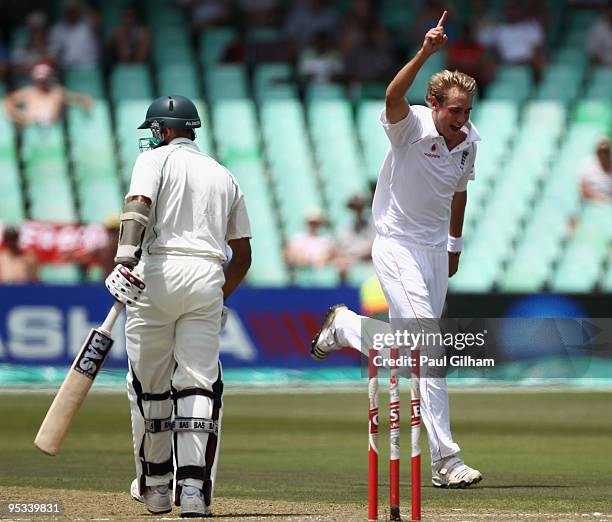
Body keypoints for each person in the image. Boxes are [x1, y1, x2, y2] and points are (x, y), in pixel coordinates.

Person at [311, 11, 483, 489]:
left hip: (432, 250)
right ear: (433, 105)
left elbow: (460, 190)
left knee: (416, 347)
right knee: (431, 348)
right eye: (454, 110)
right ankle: (446, 461)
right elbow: (391, 96)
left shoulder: (470, 141)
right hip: (397, 245)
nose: (461, 119)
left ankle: (345, 325)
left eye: (467, 110)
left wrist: (454, 242)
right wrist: (427, 52)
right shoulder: (411, 127)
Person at [104, 95, 252, 517]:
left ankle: (153, 487)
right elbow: (242, 257)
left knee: (149, 387)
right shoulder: (226, 175)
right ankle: (193, 492)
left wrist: (124, 260)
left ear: (163, 130)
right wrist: (213, 299)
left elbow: (138, 208)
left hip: (157, 272)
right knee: (198, 385)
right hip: (208, 272)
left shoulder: (155, 161)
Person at [4, 62, 93, 128]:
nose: (42, 83)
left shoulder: (58, 92)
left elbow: (78, 99)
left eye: (44, 79)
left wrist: (84, 101)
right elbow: (8, 102)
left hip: (52, 131)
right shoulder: (28, 92)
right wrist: (20, 117)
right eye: (40, 80)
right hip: (32, 131)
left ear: (50, 78)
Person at [580, 137, 612, 203]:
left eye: (606, 151)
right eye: (601, 151)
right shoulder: (587, 164)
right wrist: (598, 198)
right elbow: (582, 189)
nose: (603, 155)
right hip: (591, 204)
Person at [586, 1, 612, 66]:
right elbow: (592, 53)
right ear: (607, 11)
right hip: (603, 68)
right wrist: (605, 65)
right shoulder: (597, 29)